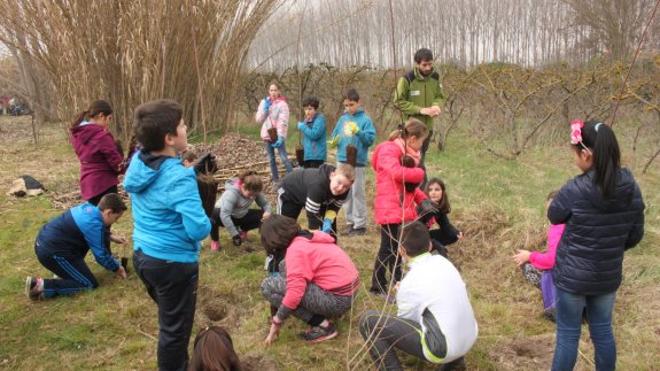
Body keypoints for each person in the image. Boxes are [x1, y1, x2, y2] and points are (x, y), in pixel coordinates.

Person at [549, 120, 644, 371]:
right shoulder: (631, 188)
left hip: (572, 277)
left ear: (587, 154)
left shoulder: (575, 188)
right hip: (606, 275)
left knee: (568, 335)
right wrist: (611, 247)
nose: (575, 160)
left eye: (575, 154)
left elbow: (554, 215)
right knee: (602, 331)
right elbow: (635, 234)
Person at [124, 99, 211, 371]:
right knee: (174, 333)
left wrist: (191, 170)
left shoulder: (139, 161)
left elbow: (161, 183)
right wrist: (203, 200)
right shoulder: (179, 178)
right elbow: (198, 229)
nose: (187, 128)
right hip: (172, 264)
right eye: (182, 125)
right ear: (169, 138)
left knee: (171, 317)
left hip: (143, 257)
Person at [359, 222, 478, 371]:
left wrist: (402, 295)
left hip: (443, 348)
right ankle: (455, 364)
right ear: (429, 245)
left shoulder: (409, 282)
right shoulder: (444, 262)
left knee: (368, 321)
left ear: (401, 250)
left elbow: (407, 324)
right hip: (470, 336)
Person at [260, 215, 359, 344]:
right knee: (284, 269)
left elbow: (294, 294)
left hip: (337, 299)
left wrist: (277, 320)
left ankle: (324, 326)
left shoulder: (295, 251)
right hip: (350, 291)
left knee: (267, 286)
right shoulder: (307, 236)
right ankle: (324, 314)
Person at [25, 193, 128, 300]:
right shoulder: (93, 225)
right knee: (88, 284)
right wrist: (117, 268)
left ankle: (64, 274)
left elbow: (92, 229)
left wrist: (110, 236)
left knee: (81, 245)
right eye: (116, 218)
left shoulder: (88, 208)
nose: (116, 221)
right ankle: (40, 286)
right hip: (52, 251)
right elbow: (101, 255)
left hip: (46, 242)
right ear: (109, 212)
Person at [370, 118, 429, 297]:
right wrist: (420, 173)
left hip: (401, 206)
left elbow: (409, 189)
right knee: (387, 248)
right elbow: (397, 173)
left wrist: (424, 201)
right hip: (390, 207)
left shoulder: (406, 153)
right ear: (412, 138)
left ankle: (397, 280)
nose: (421, 145)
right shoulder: (389, 149)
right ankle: (377, 285)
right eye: (421, 141)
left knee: (398, 248)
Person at [393, 48, 445, 187]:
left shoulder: (435, 78)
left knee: (420, 161)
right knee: (416, 163)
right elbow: (398, 101)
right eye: (424, 65)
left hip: (428, 129)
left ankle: (419, 195)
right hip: (411, 130)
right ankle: (422, 195)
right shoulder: (407, 79)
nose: (428, 68)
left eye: (430, 64)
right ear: (417, 64)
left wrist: (436, 106)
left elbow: (439, 96)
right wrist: (421, 110)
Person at [330, 88, 376, 236]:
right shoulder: (343, 119)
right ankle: (350, 222)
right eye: (346, 105)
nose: (348, 108)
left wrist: (359, 132)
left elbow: (369, 140)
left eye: (351, 104)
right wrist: (334, 141)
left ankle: (360, 224)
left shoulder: (365, 120)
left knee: (357, 192)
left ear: (358, 103)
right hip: (342, 159)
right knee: (344, 191)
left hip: (357, 161)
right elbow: (335, 134)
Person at [70, 100, 125, 206]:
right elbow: (117, 164)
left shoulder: (77, 134)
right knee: (106, 218)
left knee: (94, 218)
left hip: (88, 183)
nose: (108, 123)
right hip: (104, 183)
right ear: (101, 116)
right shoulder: (101, 136)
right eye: (109, 119)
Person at [277, 163, 354, 235]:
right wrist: (315, 235)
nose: (340, 188)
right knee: (286, 226)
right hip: (290, 191)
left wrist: (328, 219)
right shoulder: (318, 185)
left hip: (315, 196)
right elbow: (312, 215)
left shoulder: (344, 191)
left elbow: (334, 208)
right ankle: (278, 247)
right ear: (332, 176)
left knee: (329, 230)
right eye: (339, 182)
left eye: (345, 186)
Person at [209, 170, 272, 251]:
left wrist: (268, 212)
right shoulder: (232, 193)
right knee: (212, 214)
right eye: (250, 194)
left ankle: (242, 231)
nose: (252, 198)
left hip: (240, 214)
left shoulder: (254, 190)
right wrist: (234, 235)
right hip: (223, 215)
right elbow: (224, 215)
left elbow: (265, 204)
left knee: (264, 216)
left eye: (255, 195)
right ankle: (215, 240)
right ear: (243, 186)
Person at [256, 82, 293, 183]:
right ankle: (276, 180)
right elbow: (259, 120)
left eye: (275, 90)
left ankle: (293, 177)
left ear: (279, 91)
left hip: (277, 135)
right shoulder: (264, 102)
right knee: (271, 159)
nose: (273, 92)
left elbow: (283, 121)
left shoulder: (283, 104)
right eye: (271, 90)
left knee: (283, 158)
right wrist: (265, 110)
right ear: (269, 91)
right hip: (267, 134)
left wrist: (280, 136)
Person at [417, 177, 463, 257]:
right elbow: (415, 230)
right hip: (413, 238)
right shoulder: (424, 207)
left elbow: (446, 225)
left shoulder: (438, 208)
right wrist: (436, 244)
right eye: (430, 190)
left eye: (437, 190)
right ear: (426, 193)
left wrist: (457, 232)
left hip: (425, 236)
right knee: (440, 248)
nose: (433, 192)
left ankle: (432, 251)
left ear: (442, 192)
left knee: (452, 236)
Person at [297, 96, 327, 168]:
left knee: (315, 177)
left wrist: (303, 127)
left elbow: (314, 135)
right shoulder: (306, 120)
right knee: (307, 177)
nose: (307, 111)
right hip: (308, 155)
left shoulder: (320, 120)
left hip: (316, 156)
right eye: (305, 109)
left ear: (315, 109)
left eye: (310, 109)